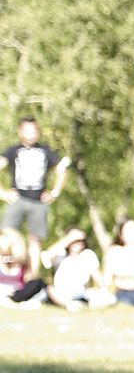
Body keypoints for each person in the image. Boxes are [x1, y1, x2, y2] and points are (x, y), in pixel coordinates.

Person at [0, 117, 71, 279]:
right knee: (6, 236)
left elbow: (63, 170)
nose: (31, 135)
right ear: (20, 132)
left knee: (35, 240)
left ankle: (31, 277)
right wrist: (2, 193)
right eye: (27, 131)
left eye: (34, 131)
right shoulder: (13, 151)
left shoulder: (46, 151)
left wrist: (55, 192)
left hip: (38, 201)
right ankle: (6, 272)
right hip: (17, 199)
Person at [42, 229, 111, 311]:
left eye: (80, 241)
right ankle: (69, 305)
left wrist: (103, 289)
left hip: (81, 293)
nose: (78, 243)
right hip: (62, 293)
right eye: (75, 241)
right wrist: (70, 237)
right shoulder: (61, 254)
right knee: (50, 289)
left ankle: (81, 304)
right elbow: (47, 256)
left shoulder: (87, 255)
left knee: (103, 295)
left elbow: (97, 276)